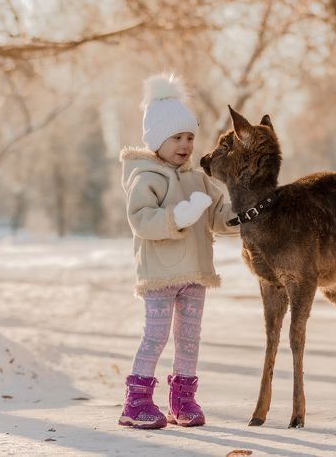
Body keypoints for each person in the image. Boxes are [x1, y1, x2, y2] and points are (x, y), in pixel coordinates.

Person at [117, 73, 239, 429]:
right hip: (159, 275)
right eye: (176, 137)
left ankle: (182, 398)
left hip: (195, 273)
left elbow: (218, 215)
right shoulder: (146, 177)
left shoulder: (198, 178)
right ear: (157, 139)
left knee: (189, 338)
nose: (185, 144)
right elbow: (141, 219)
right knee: (155, 335)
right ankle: (136, 399)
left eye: (189, 137)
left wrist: (245, 216)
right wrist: (177, 216)